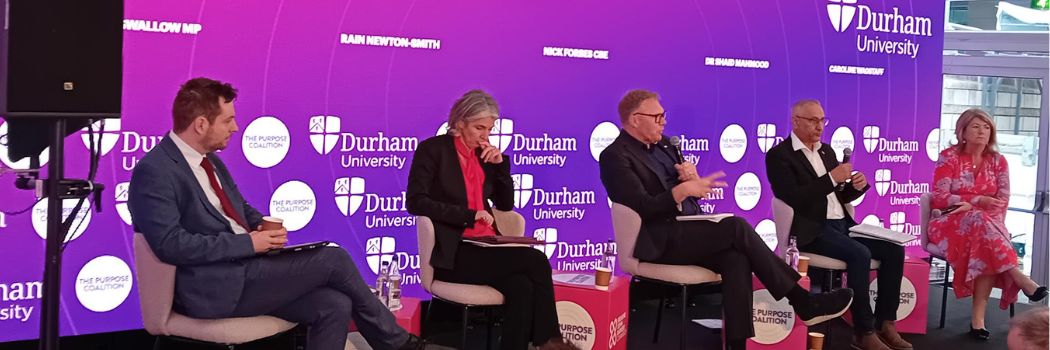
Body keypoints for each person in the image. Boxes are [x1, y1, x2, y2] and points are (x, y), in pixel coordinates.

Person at [128, 77, 423, 350]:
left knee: (333, 304)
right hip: (212, 289)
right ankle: (398, 344)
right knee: (334, 258)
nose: (235, 127)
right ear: (201, 124)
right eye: (228, 120)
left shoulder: (211, 163)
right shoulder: (155, 171)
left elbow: (239, 209)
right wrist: (249, 244)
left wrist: (262, 227)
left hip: (245, 272)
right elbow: (170, 244)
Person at [598, 89, 854, 350]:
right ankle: (802, 300)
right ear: (634, 119)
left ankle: (735, 344)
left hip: (688, 229)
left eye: (664, 115)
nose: (663, 121)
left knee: (736, 258)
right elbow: (641, 206)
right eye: (657, 116)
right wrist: (682, 190)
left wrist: (691, 180)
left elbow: (686, 194)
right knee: (735, 226)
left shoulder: (665, 145)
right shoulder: (615, 156)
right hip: (656, 240)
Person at [406, 90, 575, 350]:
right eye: (479, 128)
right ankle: (549, 343)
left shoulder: (484, 156)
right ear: (460, 122)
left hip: (487, 246)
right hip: (454, 253)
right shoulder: (433, 150)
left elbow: (506, 205)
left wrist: (500, 166)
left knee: (521, 286)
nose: (485, 135)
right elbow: (416, 202)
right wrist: (468, 215)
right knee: (536, 260)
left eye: (489, 129)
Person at [765, 99, 910, 350]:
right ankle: (863, 331)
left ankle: (886, 322)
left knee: (894, 250)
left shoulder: (827, 151)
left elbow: (839, 195)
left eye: (822, 120)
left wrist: (857, 187)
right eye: (813, 120)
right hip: (811, 229)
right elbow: (794, 198)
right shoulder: (779, 156)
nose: (819, 126)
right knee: (859, 254)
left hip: (842, 224)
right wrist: (832, 177)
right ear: (796, 121)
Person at [928, 108, 1047, 341]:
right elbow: (939, 197)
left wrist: (975, 207)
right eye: (976, 126)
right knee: (981, 227)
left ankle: (978, 322)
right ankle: (1019, 277)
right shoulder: (948, 156)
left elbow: (1003, 200)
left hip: (987, 225)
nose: (982, 131)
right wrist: (976, 201)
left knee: (983, 236)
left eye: (987, 127)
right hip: (947, 222)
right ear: (962, 131)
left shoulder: (998, 161)